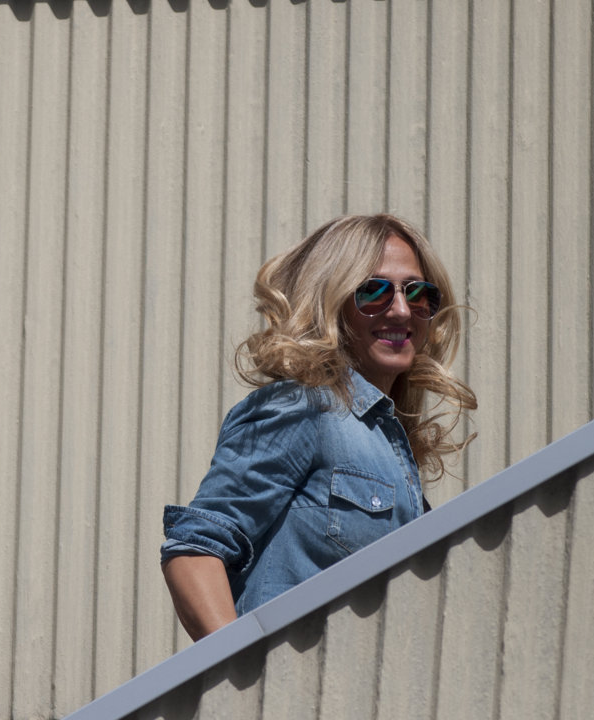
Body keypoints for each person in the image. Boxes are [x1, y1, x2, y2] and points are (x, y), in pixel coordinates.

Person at [160, 214, 476, 641]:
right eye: (373, 291)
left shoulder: (386, 440)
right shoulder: (304, 407)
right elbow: (195, 551)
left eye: (418, 294)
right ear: (330, 301)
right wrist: (243, 674)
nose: (402, 310)